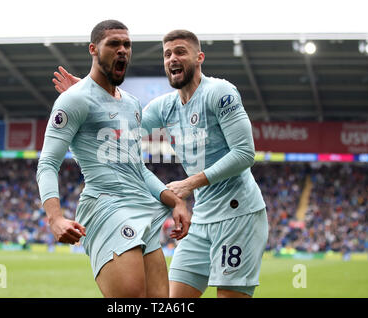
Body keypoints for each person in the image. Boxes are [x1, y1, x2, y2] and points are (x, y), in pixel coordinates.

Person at [52, 29, 268, 298]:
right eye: (167, 54)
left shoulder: (220, 92)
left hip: (239, 214)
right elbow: (121, 123)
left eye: (180, 52)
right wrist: (90, 96)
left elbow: (246, 152)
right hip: (201, 217)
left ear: (199, 57)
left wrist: (190, 183)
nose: (172, 59)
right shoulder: (163, 107)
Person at [37, 20, 191, 298]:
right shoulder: (74, 100)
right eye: (114, 44)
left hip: (143, 209)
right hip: (108, 206)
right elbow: (48, 162)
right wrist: (55, 218)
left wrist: (175, 201)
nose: (122, 50)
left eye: (127, 45)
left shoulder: (132, 104)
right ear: (93, 50)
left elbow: (136, 169)